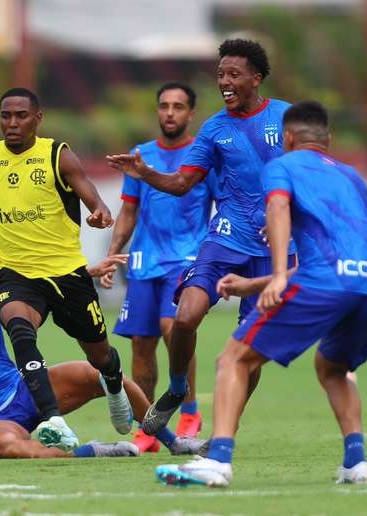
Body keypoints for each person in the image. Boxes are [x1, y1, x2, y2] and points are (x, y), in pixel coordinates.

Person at [155, 101, 367, 487]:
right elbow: (344, 251)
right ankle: (356, 461)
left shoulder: (280, 165)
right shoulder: (353, 178)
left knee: (233, 358)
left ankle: (217, 461)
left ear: (289, 138)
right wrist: (252, 285)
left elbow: (278, 207)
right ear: (328, 139)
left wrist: (278, 274)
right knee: (333, 368)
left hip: (323, 282)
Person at [0, 87, 133, 452]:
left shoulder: (56, 155)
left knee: (100, 356)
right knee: (19, 329)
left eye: (21, 116)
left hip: (67, 275)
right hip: (17, 274)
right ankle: (53, 418)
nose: (12, 123)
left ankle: (113, 384)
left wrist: (100, 210)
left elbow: (88, 191)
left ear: (38, 118)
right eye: (6, 116)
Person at [106, 39, 295, 435]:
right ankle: (177, 390)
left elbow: (310, 170)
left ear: (256, 78)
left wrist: (290, 213)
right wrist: (147, 175)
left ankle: (226, 430)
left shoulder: (285, 117)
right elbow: (180, 182)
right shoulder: (213, 129)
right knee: (185, 316)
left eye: (233, 74)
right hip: (225, 239)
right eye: (221, 74)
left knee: (248, 350)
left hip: (274, 249)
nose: (224, 82)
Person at [0, 257, 206, 460]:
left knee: (103, 373)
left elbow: (39, 287)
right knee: (1, 447)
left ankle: (173, 442)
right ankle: (91, 452)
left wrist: (88, 273)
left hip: (26, 389)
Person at [101, 82, 214, 452]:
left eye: (178, 106)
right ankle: (149, 427)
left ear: (190, 113)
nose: (170, 112)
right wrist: (112, 253)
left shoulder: (203, 155)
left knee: (174, 326)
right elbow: (129, 210)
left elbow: (224, 203)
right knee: (141, 346)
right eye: (164, 106)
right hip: (144, 262)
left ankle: (190, 410)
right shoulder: (140, 155)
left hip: (186, 259)